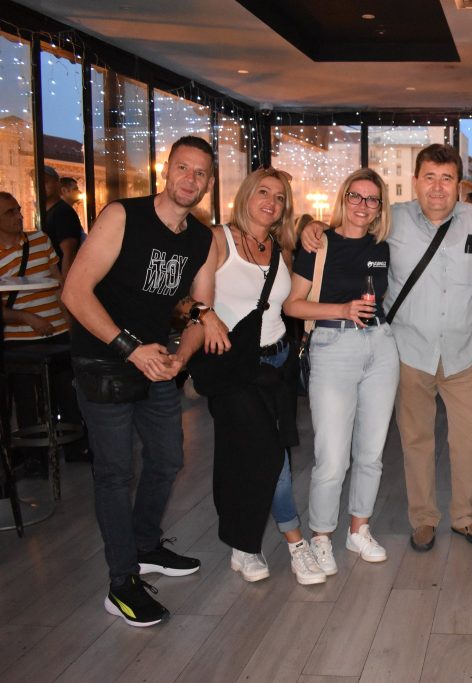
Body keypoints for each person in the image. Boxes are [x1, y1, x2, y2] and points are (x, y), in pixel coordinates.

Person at [302, 144, 472, 553]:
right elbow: (350, 227)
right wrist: (313, 225)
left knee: (471, 438)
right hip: (408, 351)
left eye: (447, 178)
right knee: (415, 440)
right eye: (429, 177)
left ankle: (465, 516)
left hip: (463, 353)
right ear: (415, 181)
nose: (437, 187)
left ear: (458, 184)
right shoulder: (392, 220)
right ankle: (423, 518)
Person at [62, 136, 226, 628]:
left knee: (168, 458)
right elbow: (75, 291)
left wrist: (180, 357)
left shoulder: (201, 240)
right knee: (114, 473)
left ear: (208, 184)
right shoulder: (123, 216)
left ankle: (146, 545)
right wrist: (129, 349)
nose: (190, 179)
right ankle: (122, 583)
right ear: (166, 171)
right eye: (183, 168)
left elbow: (199, 311)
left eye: (200, 173)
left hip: (155, 361)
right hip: (104, 360)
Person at [195, 167, 325, 585]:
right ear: (246, 195)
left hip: (278, 363)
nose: (272, 201)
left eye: (280, 197)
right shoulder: (218, 240)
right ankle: (294, 542)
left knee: (263, 454)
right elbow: (191, 299)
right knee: (268, 457)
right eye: (264, 192)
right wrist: (205, 316)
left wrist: (320, 228)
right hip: (235, 367)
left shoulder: (281, 248)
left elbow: (288, 303)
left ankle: (243, 544)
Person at [285, 168, 397, 570]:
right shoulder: (318, 243)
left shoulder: (384, 246)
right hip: (333, 345)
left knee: (371, 452)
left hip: (381, 346)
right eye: (355, 196)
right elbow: (292, 305)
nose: (363, 205)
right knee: (332, 457)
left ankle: (358, 530)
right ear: (343, 198)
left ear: (380, 207)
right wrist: (342, 309)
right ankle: (321, 536)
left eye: (371, 199)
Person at [0, 191, 86, 468]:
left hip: (57, 330)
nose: (18, 216)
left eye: (18, 210)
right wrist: (27, 318)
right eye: (10, 212)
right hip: (19, 338)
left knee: (67, 390)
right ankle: (34, 457)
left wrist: (70, 323)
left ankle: (75, 446)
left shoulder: (39, 240)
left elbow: (58, 281)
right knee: (26, 397)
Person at [42, 165, 82, 278]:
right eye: (36, 183)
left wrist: (65, 284)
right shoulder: (48, 212)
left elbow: (68, 254)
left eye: (45, 182)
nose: (39, 186)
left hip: (60, 280)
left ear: (57, 184)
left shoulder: (62, 212)